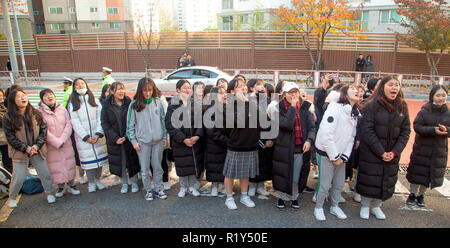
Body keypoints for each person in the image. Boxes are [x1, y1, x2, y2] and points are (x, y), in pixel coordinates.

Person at [356, 76, 411, 220]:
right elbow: (367, 130)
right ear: (382, 87)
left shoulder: (402, 106)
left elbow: (405, 131)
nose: (394, 88)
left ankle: (377, 207)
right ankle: (365, 205)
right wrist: (381, 151)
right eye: (390, 84)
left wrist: (394, 152)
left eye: (396, 85)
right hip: (372, 152)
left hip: (391, 153)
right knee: (369, 179)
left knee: (386, 180)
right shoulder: (371, 105)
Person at [314, 85, 361, 221]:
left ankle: (334, 206)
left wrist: (344, 155)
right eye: (352, 89)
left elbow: (351, 137)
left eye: (358, 90)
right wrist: (334, 156)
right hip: (326, 153)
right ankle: (318, 207)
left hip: (341, 156)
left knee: (339, 183)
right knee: (324, 184)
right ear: (344, 95)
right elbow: (326, 135)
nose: (357, 91)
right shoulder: (335, 108)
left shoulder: (354, 113)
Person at [4, 89, 55, 208]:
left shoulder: (35, 113)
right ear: (13, 101)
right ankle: (13, 197)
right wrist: (25, 148)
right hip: (20, 151)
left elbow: (43, 131)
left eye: (24, 95)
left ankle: (49, 193)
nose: (23, 98)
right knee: (18, 176)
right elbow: (10, 137)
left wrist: (37, 145)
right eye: (19, 97)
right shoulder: (8, 117)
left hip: (37, 149)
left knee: (44, 173)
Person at [272, 82, 315, 210]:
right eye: (290, 92)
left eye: (295, 92)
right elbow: (286, 124)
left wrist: (309, 140)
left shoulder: (306, 106)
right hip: (283, 148)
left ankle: (294, 197)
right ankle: (281, 197)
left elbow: (312, 127)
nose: (294, 95)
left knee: (296, 176)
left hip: (300, 148)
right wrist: (292, 107)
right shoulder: (277, 107)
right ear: (284, 94)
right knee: (282, 174)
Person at [406, 85, 449, 207]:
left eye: (443, 95)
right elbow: (417, 127)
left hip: (439, 150)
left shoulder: (448, 112)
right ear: (432, 97)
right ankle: (412, 194)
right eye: (438, 95)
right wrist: (433, 130)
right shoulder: (424, 110)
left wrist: (447, 130)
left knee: (430, 174)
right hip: (422, 149)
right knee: (417, 172)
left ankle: (421, 195)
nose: (441, 98)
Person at [127, 78, 167, 200]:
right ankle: (148, 190)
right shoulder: (134, 105)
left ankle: (158, 188)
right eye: (145, 91)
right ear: (140, 91)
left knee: (157, 167)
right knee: (144, 169)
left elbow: (163, 121)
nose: (148, 93)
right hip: (142, 143)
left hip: (158, 141)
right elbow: (130, 126)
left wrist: (164, 136)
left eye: (150, 90)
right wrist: (134, 141)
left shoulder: (158, 102)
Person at [223, 77, 260, 210]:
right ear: (232, 91)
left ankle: (244, 196)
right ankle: (229, 197)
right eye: (239, 86)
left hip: (251, 143)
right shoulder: (229, 105)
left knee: (245, 173)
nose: (243, 88)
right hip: (236, 144)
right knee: (230, 173)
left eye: (244, 85)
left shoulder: (251, 101)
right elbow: (240, 122)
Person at [68, 77, 108, 193]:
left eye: (82, 83)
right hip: (84, 139)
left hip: (97, 136)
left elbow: (101, 117)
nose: (80, 86)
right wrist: (85, 137)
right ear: (74, 88)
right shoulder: (73, 104)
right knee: (89, 163)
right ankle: (91, 182)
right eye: (77, 84)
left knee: (99, 160)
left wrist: (98, 133)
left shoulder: (94, 100)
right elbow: (75, 122)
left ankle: (98, 180)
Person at [38, 88, 80, 198]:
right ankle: (60, 186)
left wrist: (62, 139)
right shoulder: (40, 113)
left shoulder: (62, 109)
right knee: (55, 165)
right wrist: (56, 142)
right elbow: (43, 130)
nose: (49, 97)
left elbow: (68, 124)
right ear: (42, 99)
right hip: (52, 145)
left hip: (65, 142)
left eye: (51, 94)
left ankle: (72, 185)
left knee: (69, 163)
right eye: (46, 96)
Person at [165, 80, 204, 198]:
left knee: (192, 164)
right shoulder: (173, 105)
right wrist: (183, 139)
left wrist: (197, 136)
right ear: (178, 90)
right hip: (180, 142)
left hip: (193, 141)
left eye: (188, 88)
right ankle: (182, 187)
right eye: (184, 88)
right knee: (182, 165)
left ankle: (191, 187)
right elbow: (170, 125)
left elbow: (201, 122)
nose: (187, 90)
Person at [102, 82, 141, 195]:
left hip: (128, 138)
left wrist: (126, 135)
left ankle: (133, 182)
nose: (121, 91)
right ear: (112, 92)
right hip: (115, 140)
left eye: (123, 89)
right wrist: (115, 137)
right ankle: (124, 182)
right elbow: (105, 124)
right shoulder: (107, 105)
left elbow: (133, 121)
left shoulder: (129, 103)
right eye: (118, 89)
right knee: (121, 161)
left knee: (131, 160)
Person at [247, 79, 272, 197]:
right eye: (258, 85)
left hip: (266, 136)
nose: (261, 87)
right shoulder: (248, 100)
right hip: (252, 138)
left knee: (263, 162)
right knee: (252, 163)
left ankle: (261, 186)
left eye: (262, 85)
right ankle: (251, 186)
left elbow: (271, 121)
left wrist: (269, 139)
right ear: (251, 88)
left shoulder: (267, 101)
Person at [204, 87, 229, 196]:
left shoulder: (227, 109)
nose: (224, 95)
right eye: (220, 93)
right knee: (213, 164)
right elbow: (212, 131)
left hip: (225, 144)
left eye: (225, 93)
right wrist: (226, 141)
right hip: (213, 144)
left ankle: (224, 185)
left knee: (223, 165)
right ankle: (214, 185)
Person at [0, 89, 12, 174]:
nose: (0, 98)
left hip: (5, 139)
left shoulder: (5, 107)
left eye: (1, 96)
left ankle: (8, 180)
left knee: (7, 162)